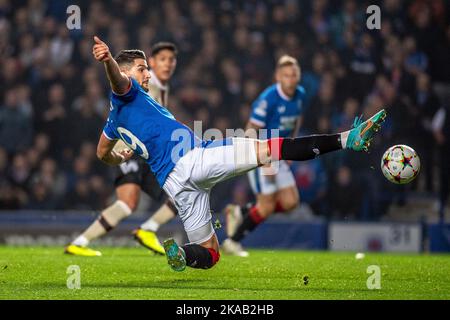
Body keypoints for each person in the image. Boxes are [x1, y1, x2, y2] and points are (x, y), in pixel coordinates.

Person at [90, 36, 385, 272]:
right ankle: (349, 139)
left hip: (175, 184)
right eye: (142, 68)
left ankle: (180, 253)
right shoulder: (126, 91)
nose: (148, 73)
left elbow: (102, 153)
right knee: (275, 147)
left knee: (211, 254)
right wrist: (108, 62)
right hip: (196, 159)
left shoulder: (114, 121)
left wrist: (121, 155)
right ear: (126, 71)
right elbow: (118, 82)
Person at [65, 42, 179, 256]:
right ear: (151, 63)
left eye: (172, 60)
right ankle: (83, 242)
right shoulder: (142, 81)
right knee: (131, 202)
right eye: (162, 59)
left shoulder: (161, 87)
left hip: (146, 153)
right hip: (130, 151)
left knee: (176, 193)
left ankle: (82, 242)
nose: (168, 64)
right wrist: (108, 60)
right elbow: (119, 82)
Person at [222, 55, 305, 257]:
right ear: (278, 77)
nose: (291, 79)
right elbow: (251, 129)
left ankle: (241, 213)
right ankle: (232, 242)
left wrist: (291, 146)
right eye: (286, 75)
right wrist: (262, 161)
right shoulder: (268, 99)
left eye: (294, 74)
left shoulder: (300, 94)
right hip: (263, 152)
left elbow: (296, 120)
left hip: (281, 151)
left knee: (290, 202)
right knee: (267, 206)